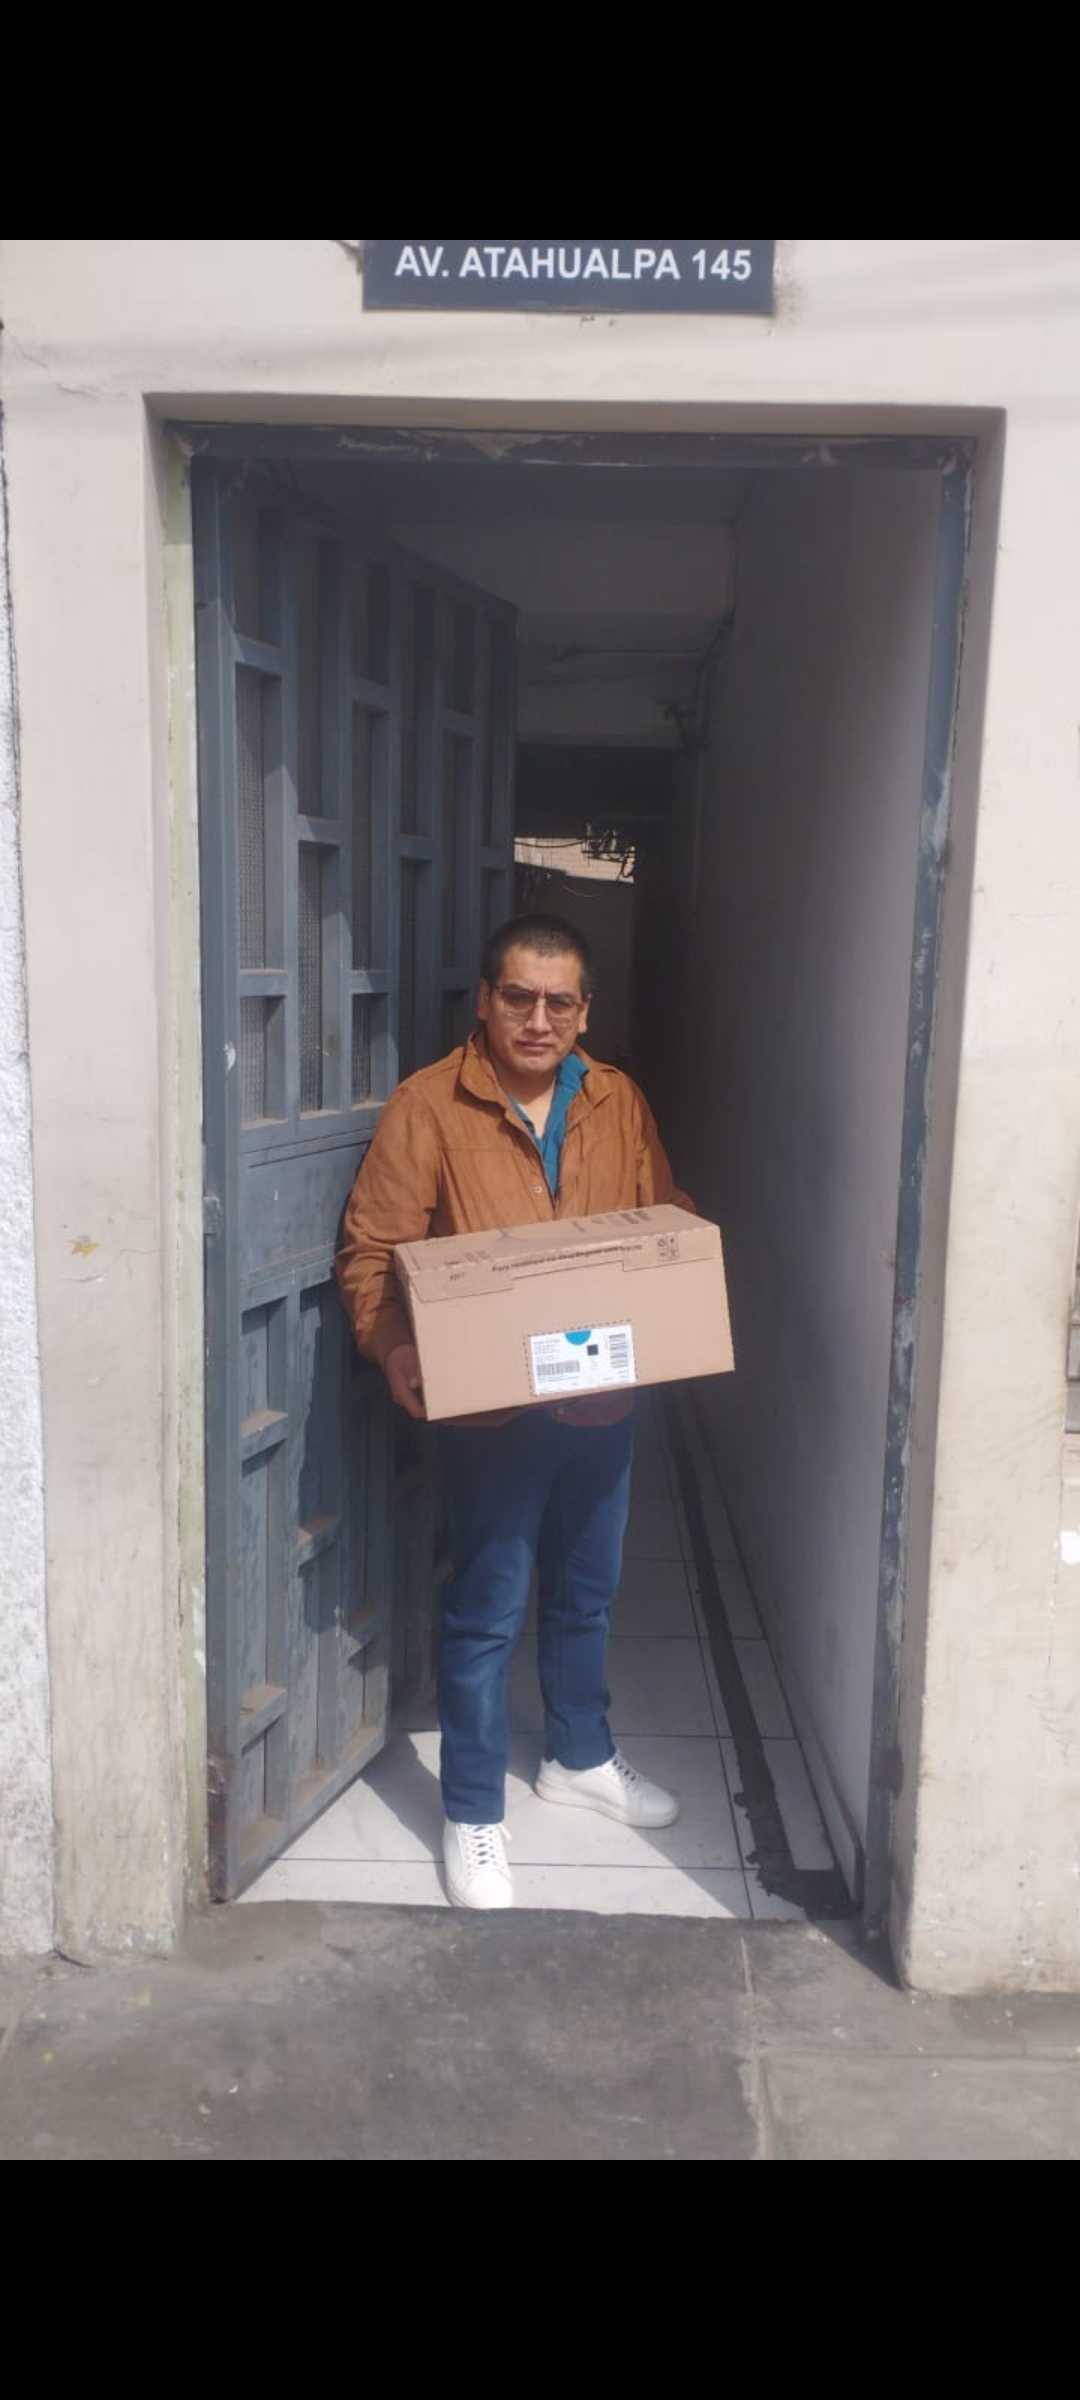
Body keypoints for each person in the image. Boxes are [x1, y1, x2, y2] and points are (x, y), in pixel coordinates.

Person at [336, 913, 695, 1910]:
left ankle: (578, 1756)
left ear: (585, 1012)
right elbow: (371, 1249)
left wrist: (680, 1281)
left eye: (559, 1003)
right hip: (491, 1410)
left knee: (587, 1592)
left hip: (600, 1395)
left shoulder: (617, 1099)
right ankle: (471, 1811)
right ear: (486, 1001)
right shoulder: (429, 1106)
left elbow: (661, 1218)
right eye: (520, 998)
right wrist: (393, 1344)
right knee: (488, 1611)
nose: (539, 1020)